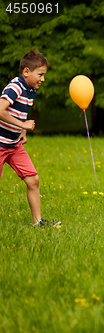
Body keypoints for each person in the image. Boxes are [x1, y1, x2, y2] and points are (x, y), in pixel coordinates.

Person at [0, 49, 61, 227]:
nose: (43, 79)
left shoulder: (30, 90)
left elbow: (21, 112)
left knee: (33, 179)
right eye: (40, 75)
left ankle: (38, 222)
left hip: (13, 145)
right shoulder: (15, 87)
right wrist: (23, 125)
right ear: (26, 72)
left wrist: (22, 132)